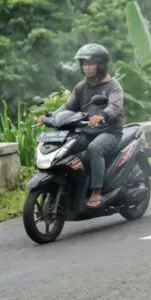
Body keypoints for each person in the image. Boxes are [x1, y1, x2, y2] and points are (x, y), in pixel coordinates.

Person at [53, 43, 126, 209]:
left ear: (101, 65)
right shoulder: (81, 87)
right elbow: (68, 107)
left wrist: (102, 115)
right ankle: (69, 186)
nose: (87, 68)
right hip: (87, 131)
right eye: (84, 64)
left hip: (110, 132)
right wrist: (50, 117)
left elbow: (115, 107)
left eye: (91, 64)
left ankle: (96, 191)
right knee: (65, 147)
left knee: (95, 149)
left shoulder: (113, 86)